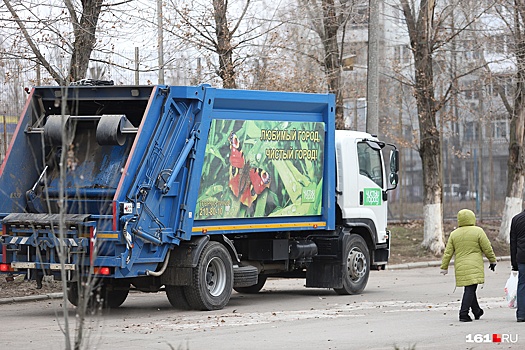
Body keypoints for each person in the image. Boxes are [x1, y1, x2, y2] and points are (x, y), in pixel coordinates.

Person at [440, 209, 497, 322]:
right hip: (475, 264)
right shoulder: (478, 231)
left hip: (461, 265)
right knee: (470, 289)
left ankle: (477, 311)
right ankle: (463, 313)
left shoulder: (454, 234)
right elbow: (487, 247)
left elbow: (448, 252)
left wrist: (444, 267)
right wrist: (492, 260)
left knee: (470, 288)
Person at [510, 209, 525, 322]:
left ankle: (521, 314)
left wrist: (514, 263)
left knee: (522, 285)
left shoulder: (516, 219)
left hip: (521, 257)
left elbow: (513, 243)